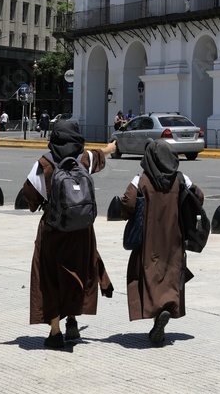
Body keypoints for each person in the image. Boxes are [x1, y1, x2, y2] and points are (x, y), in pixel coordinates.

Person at [21, 119, 116, 349]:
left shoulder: (44, 163)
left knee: (50, 277)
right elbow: (99, 155)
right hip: (82, 232)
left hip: (53, 232)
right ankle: (72, 319)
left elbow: (29, 195)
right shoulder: (84, 159)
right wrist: (112, 147)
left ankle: (55, 333)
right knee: (77, 273)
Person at [119, 138, 203, 345]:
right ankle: (164, 314)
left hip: (148, 239)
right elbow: (199, 196)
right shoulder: (180, 178)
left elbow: (127, 203)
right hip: (174, 238)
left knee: (149, 276)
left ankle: (157, 315)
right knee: (170, 275)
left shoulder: (141, 179)